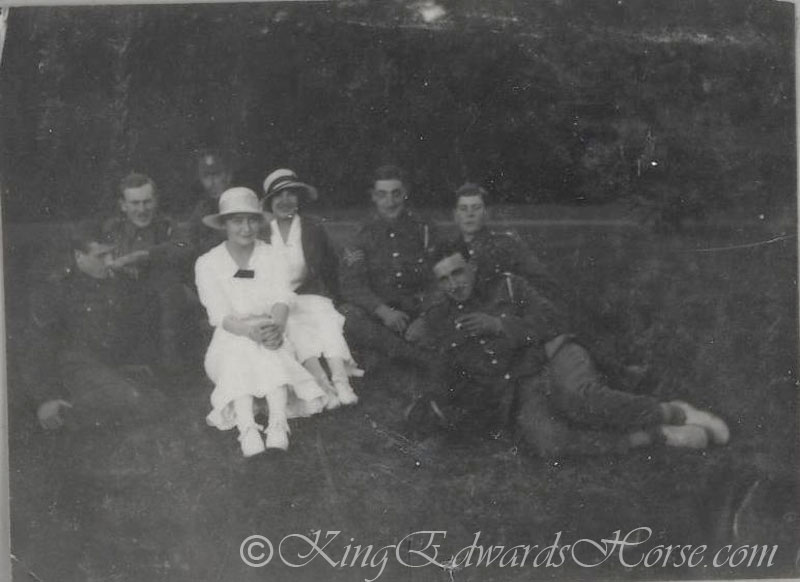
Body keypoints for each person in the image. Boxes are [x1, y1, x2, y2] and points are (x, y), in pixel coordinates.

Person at [409, 243, 730, 456]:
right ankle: (658, 436)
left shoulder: (507, 285)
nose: (454, 284)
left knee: (580, 397)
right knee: (548, 442)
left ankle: (677, 412)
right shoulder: (440, 318)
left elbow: (553, 319)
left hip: (554, 352)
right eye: (444, 279)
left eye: (457, 272)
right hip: (521, 383)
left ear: (472, 267)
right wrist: (437, 410)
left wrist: (500, 326)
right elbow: (443, 367)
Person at [195, 187, 327, 456]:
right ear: (224, 225)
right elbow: (219, 315)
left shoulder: (271, 254)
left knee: (269, 350)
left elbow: (283, 296)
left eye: (252, 220)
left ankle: (278, 423)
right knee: (240, 350)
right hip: (231, 336)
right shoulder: (208, 262)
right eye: (237, 220)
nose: (246, 228)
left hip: (270, 329)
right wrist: (249, 331)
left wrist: (276, 328)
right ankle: (248, 428)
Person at [27, 221, 168, 431]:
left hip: (116, 367)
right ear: (78, 256)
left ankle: (88, 417)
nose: (110, 261)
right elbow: (39, 348)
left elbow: (143, 329)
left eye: (112, 253)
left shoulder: (125, 283)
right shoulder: (58, 291)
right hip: (78, 369)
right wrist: (46, 398)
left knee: (158, 402)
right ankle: (71, 415)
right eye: (101, 255)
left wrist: (142, 362)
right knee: (138, 402)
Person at [261, 169, 360, 407]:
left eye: (291, 195)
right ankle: (323, 383)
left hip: (308, 294)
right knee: (293, 326)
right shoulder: (262, 232)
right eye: (278, 196)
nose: (285, 201)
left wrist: (337, 298)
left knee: (326, 317)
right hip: (277, 301)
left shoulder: (312, 228)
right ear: (270, 202)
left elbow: (329, 265)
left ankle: (341, 381)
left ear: (299, 199)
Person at [339, 164, 441, 366]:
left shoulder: (424, 229)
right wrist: (383, 312)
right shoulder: (360, 234)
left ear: (405, 194)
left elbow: (438, 279)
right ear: (373, 197)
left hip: (417, 311)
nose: (390, 202)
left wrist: (425, 318)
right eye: (382, 195)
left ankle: (394, 352)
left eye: (396, 194)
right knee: (347, 316)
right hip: (379, 315)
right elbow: (352, 285)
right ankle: (417, 357)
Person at [102, 173, 193, 374]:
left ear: (156, 201)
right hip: (125, 300)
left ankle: (171, 369)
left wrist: (147, 255)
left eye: (147, 202)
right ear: (123, 205)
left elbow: (184, 246)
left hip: (164, 304)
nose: (142, 210)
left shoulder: (168, 227)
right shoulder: (111, 230)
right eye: (134, 203)